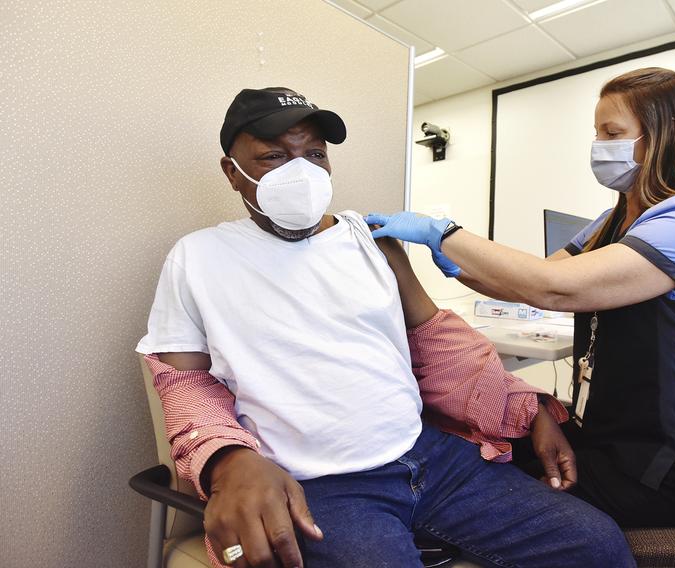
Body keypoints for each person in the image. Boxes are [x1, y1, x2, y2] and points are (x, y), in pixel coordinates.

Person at [136, 86, 635, 568]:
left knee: (595, 544)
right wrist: (227, 461)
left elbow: (438, 346)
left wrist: (528, 408)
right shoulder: (198, 257)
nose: (301, 172)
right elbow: (185, 384)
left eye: (314, 154)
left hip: (428, 458)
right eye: (273, 157)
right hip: (319, 485)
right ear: (232, 170)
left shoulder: (373, 242)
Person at [366, 67, 675, 528]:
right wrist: (460, 267)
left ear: (660, 136)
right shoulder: (612, 219)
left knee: (479, 481)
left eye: (613, 132)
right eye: (597, 132)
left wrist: (439, 232)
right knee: (480, 442)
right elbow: (530, 283)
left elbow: (552, 286)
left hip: (669, 465)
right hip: (610, 437)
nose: (599, 144)